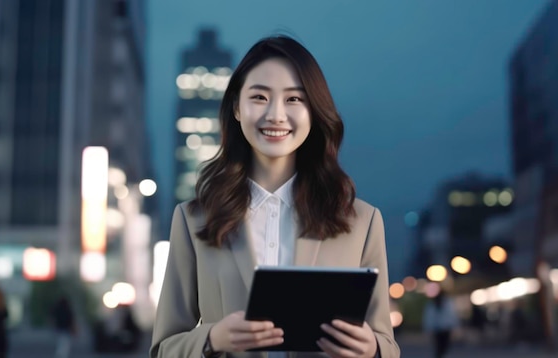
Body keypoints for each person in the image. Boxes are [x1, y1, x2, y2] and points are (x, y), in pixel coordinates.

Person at [150, 34, 400, 358]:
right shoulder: (194, 220)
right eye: (259, 97)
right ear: (237, 109)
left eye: (294, 99)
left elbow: (388, 345)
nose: (276, 115)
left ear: (314, 112)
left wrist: (372, 348)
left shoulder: (362, 222)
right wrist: (213, 338)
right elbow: (163, 348)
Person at [422, 289, 459, 358]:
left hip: (441, 329)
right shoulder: (446, 303)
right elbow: (452, 316)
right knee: (442, 348)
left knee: (441, 347)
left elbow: (429, 318)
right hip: (443, 329)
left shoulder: (443, 304)